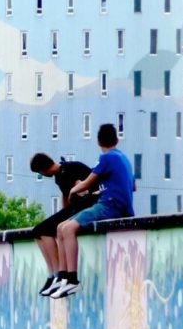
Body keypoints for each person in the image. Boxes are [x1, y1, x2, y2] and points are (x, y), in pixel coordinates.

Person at [48, 123, 135, 299]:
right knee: (60, 228)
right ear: (117, 139)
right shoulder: (124, 158)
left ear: (98, 142)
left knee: (67, 229)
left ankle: (72, 280)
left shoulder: (106, 158)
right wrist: (105, 188)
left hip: (110, 206)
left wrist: (72, 191)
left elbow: (87, 181)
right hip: (119, 204)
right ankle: (63, 278)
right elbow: (133, 187)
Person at [28, 152, 98, 296]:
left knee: (46, 231)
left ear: (42, 170)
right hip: (73, 208)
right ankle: (53, 274)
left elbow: (84, 188)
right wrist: (62, 212)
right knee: (37, 231)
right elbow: (66, 197)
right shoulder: (59, 175)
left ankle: (60, 274)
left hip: (85, 206)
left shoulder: (69, 169)